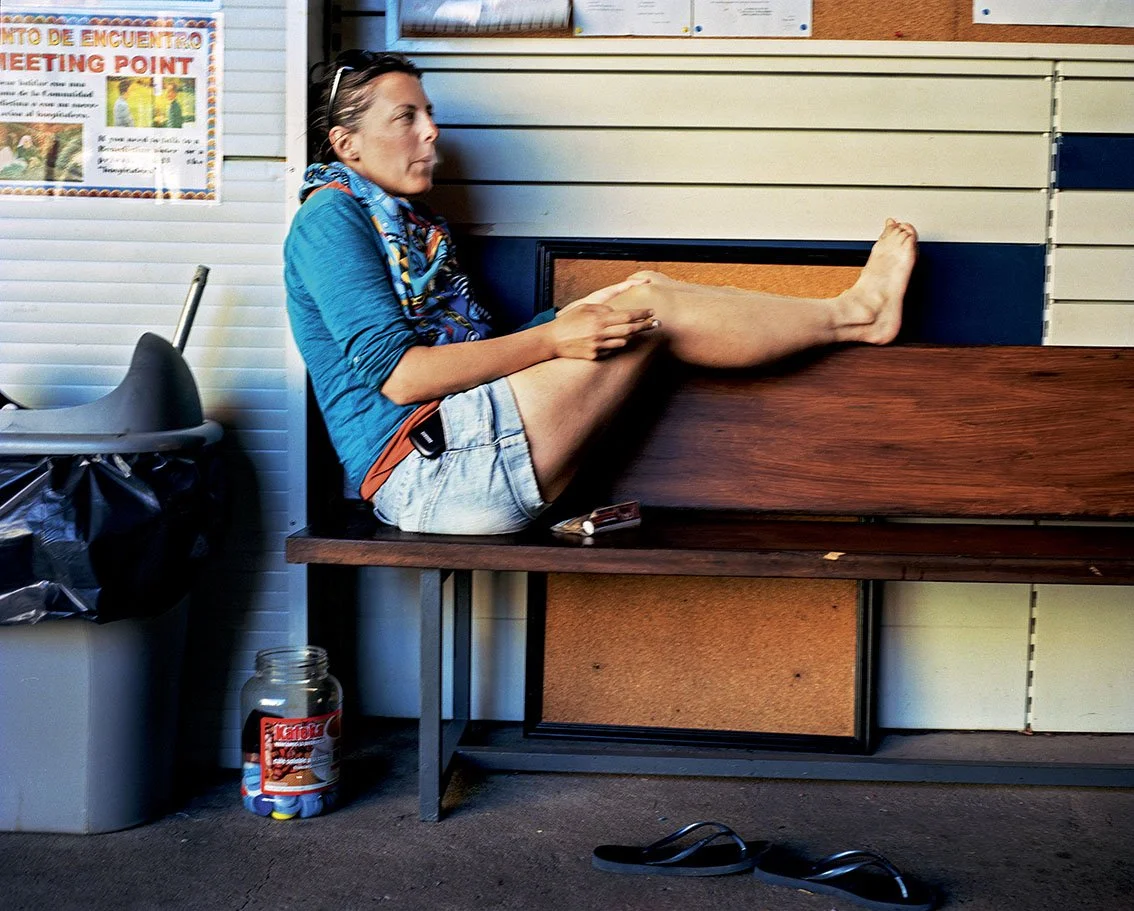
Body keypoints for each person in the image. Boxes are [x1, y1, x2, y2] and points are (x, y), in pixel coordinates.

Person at [285, 52, 918, 535]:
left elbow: (479, 350)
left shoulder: (414, 229)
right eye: (407, 117)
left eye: (429, 114)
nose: (432, 131)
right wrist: (557, 333)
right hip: (431, 473)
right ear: (347, 144)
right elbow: (402, 378)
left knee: (644, 293)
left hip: (469, 444)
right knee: (652, 312)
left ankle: (857, 314)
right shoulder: (329, 219)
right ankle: (858, 313)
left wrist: (572, 316)